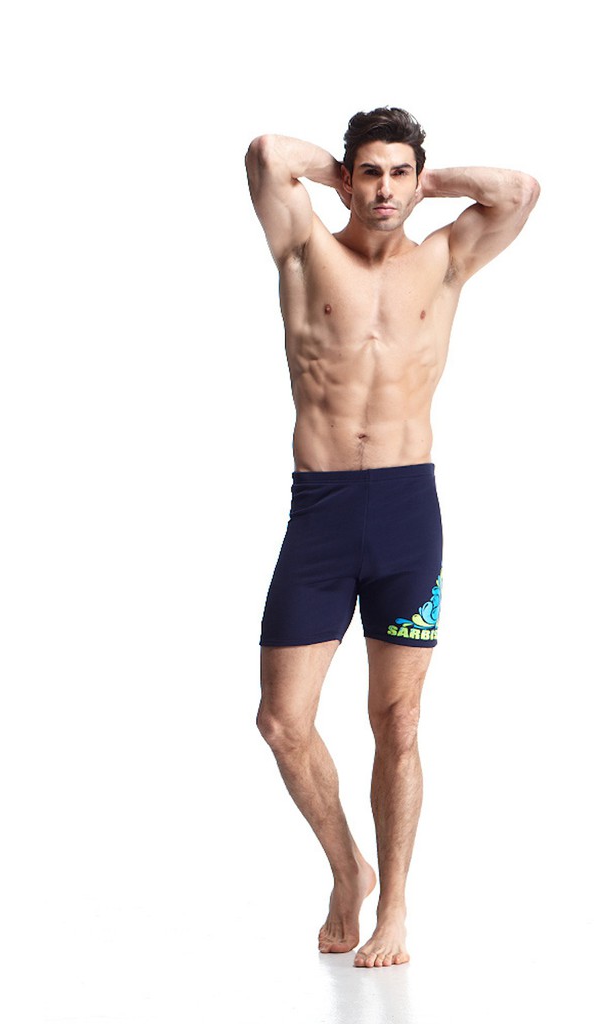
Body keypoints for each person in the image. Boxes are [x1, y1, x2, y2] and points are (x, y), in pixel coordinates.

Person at [245, 107, 539, 968]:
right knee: (281, 723)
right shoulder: (305, 247)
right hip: (322, 509)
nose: (384, 189)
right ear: (346, 177)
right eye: (369, 172)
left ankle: (396, 909)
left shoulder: (445, 258)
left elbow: (520, 191)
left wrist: (425, 186)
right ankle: (350, 868)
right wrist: (346, 183)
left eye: (398, 174)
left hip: (408, 513)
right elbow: (267, 153)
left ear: (417, 180)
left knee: (399, 721)